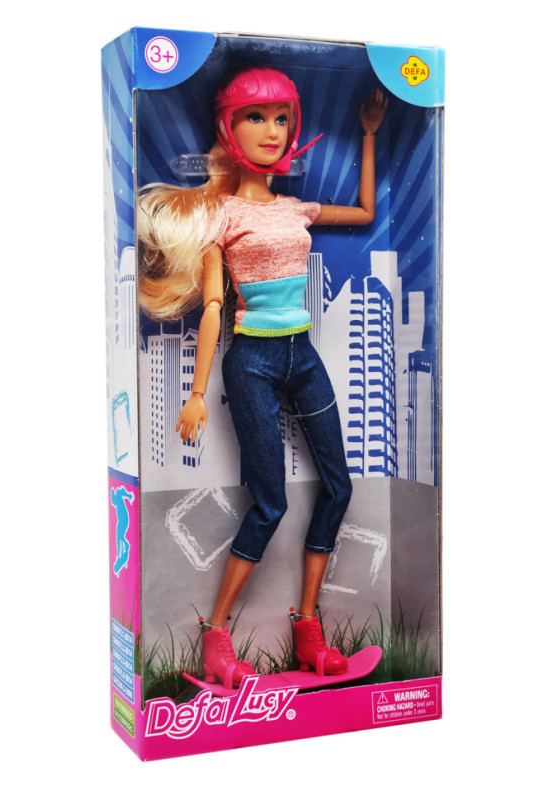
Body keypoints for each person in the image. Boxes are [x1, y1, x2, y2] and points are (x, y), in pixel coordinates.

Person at [137, 66, 387, 689]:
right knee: (270, 502)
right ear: (229, 128)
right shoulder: (219, 216)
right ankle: (215, 636)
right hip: (250, 359)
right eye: (256, 117)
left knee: (338, 487)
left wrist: (368, 135)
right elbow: (213, 307)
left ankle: (308, 627)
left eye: (281, 118)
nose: (272, 131)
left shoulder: (296, 207)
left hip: (302, 354)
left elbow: (363, 211)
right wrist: (196, 394)